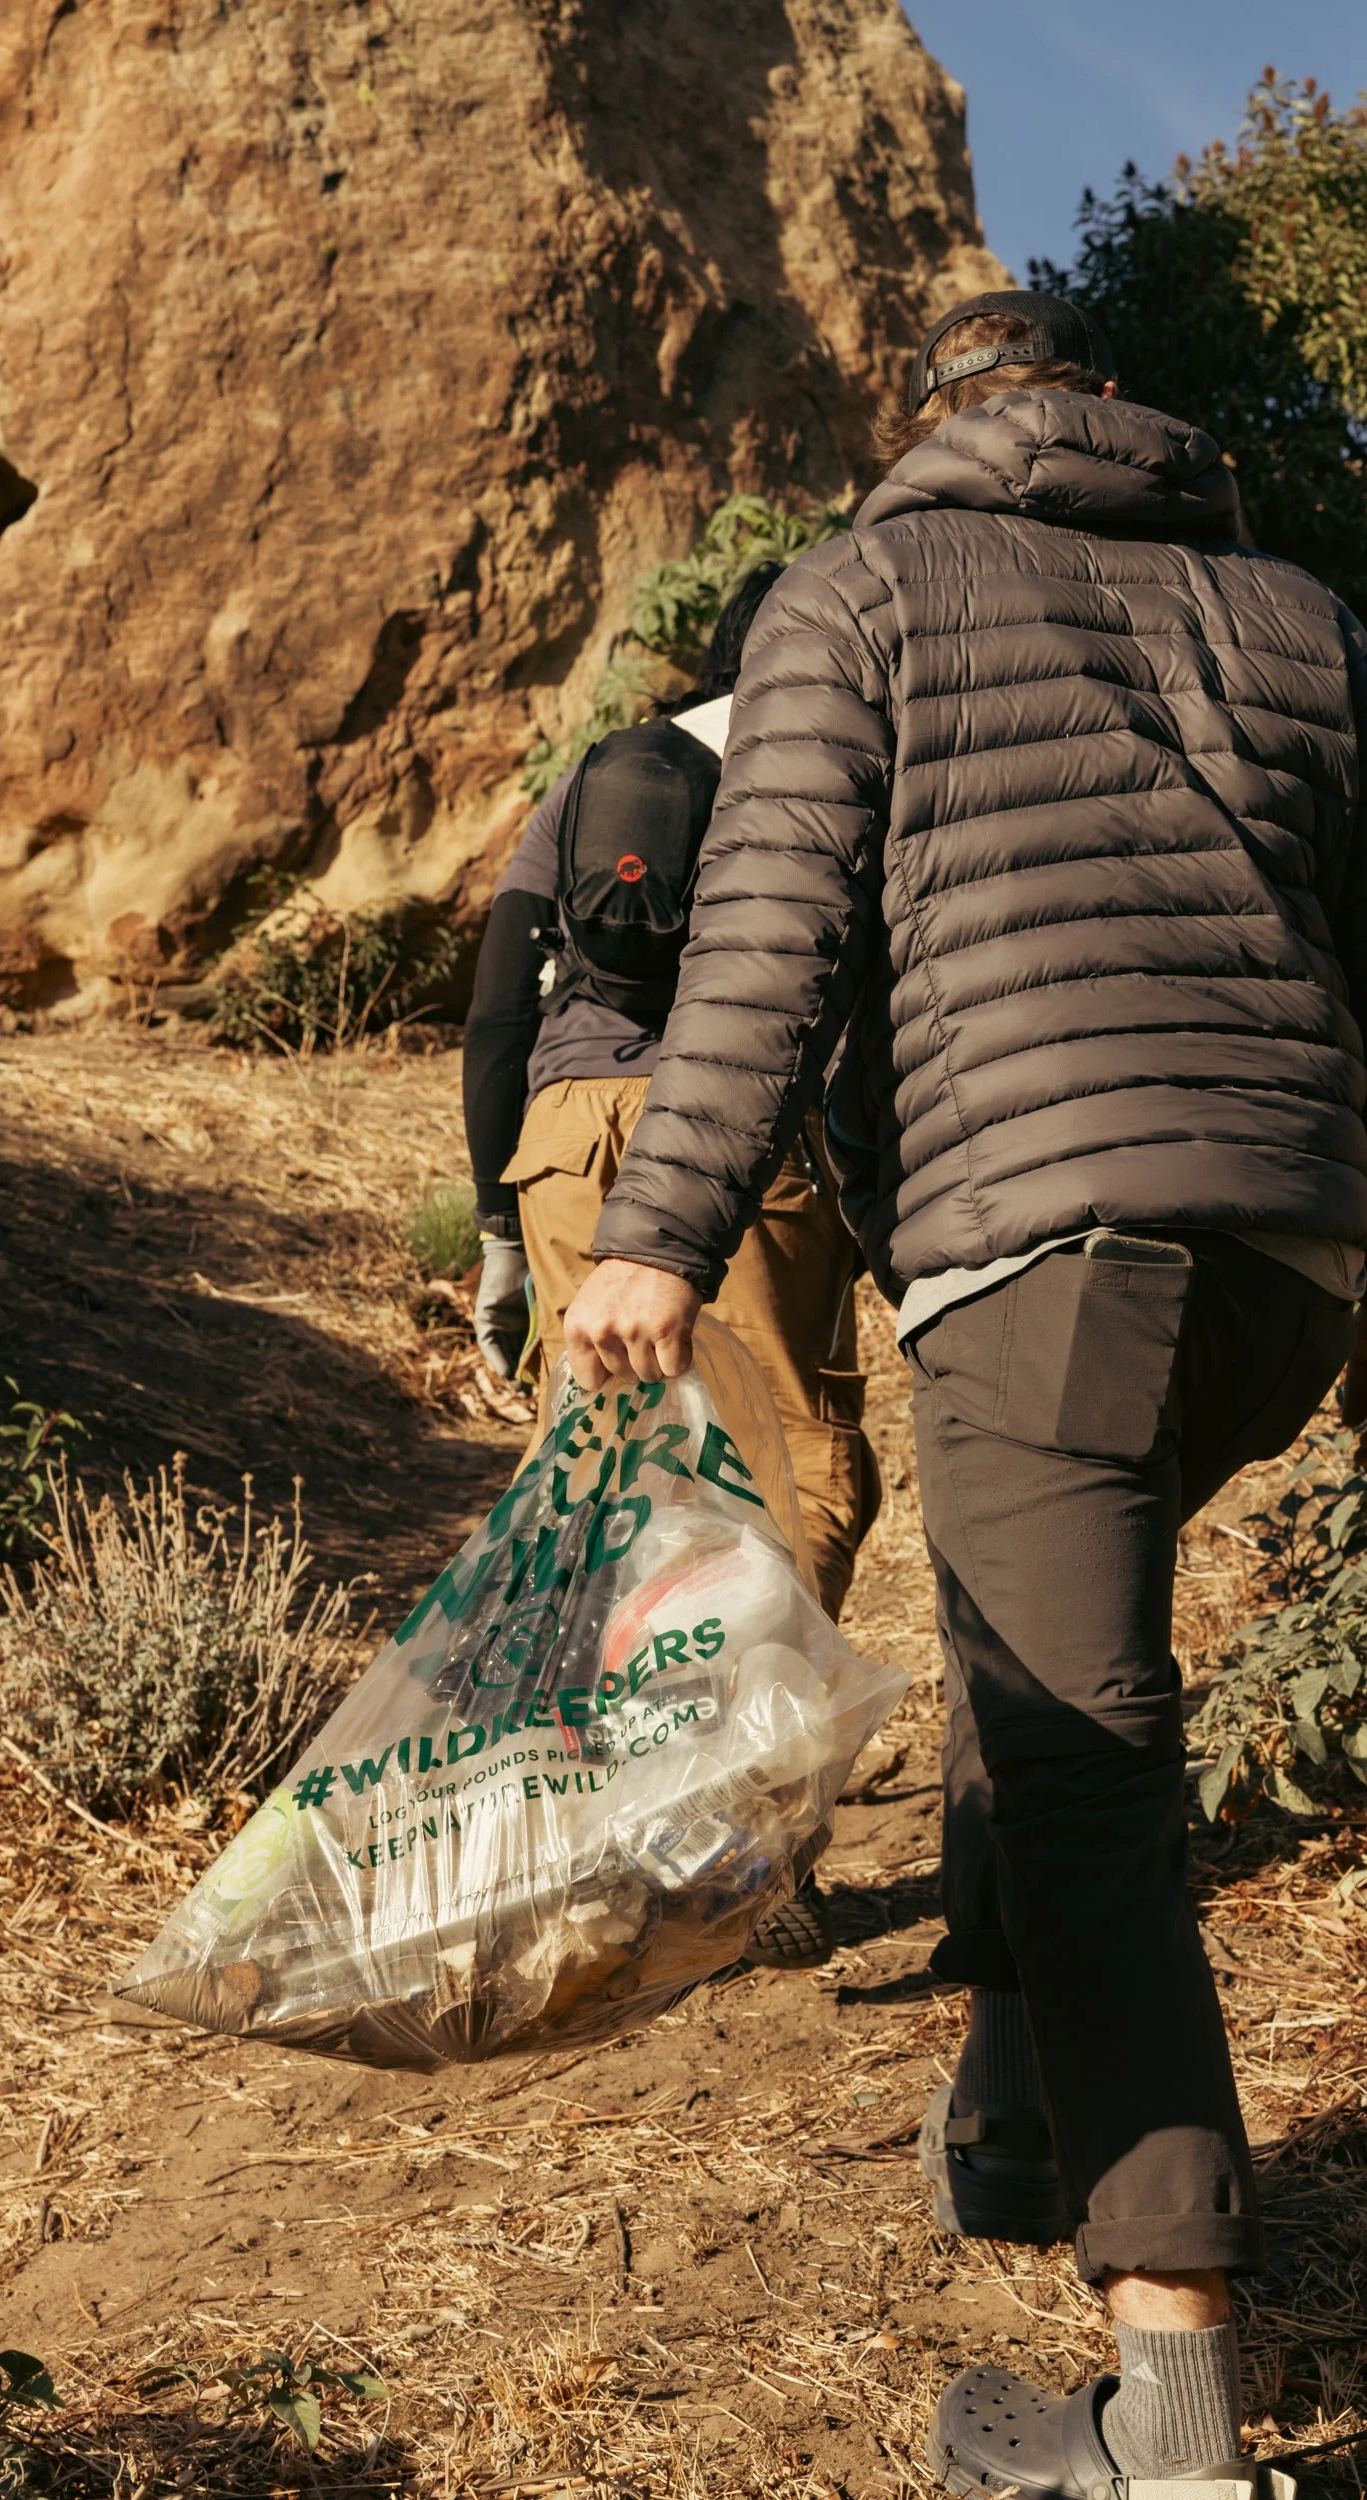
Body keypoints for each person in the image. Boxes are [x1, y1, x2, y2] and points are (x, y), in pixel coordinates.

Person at [557, 289, 1367, 2497]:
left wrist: (655, 1226)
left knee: (1077, 1769)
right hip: (1283, 1251)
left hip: (1039, 1241)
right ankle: (1007, 2099)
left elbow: (769, 924)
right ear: (1112, 409)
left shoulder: (855, 587)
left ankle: (1161, 2420)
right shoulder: (1294, 610)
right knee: (1028, 1645)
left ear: (937, 419)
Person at [461, 565, 882, 1971]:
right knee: (793, 1475)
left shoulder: (603, 773)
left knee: (586, 1480)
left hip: (564, 1139)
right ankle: (742, 1842)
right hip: (745, 1136)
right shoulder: (819, 762)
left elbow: (491, 1016)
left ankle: (555, 1842)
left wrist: (492, 1230)